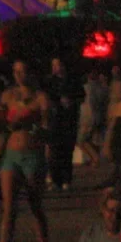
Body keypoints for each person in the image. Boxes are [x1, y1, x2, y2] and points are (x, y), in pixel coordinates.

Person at [0, 59, 52, 242]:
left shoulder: (41, 98)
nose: (19, 75)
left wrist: (33, 126)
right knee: (8, 207)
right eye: (16, 71)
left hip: (32, 153)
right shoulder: (8, 96)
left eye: (23, 71)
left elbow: (48, 128)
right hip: (11, 152)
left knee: (35, 205)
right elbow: (0, 121)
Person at [45, 58, 83, 191]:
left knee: (67, 150)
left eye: (58, 64)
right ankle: (55, 180)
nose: (56, 67)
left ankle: (66, 179)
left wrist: (72, 101)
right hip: (55, 120)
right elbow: (46, 98)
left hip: (69, 120)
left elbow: (81, 96)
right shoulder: (50, 82)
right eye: (53, 65)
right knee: (55, 151)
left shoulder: (73, 80)